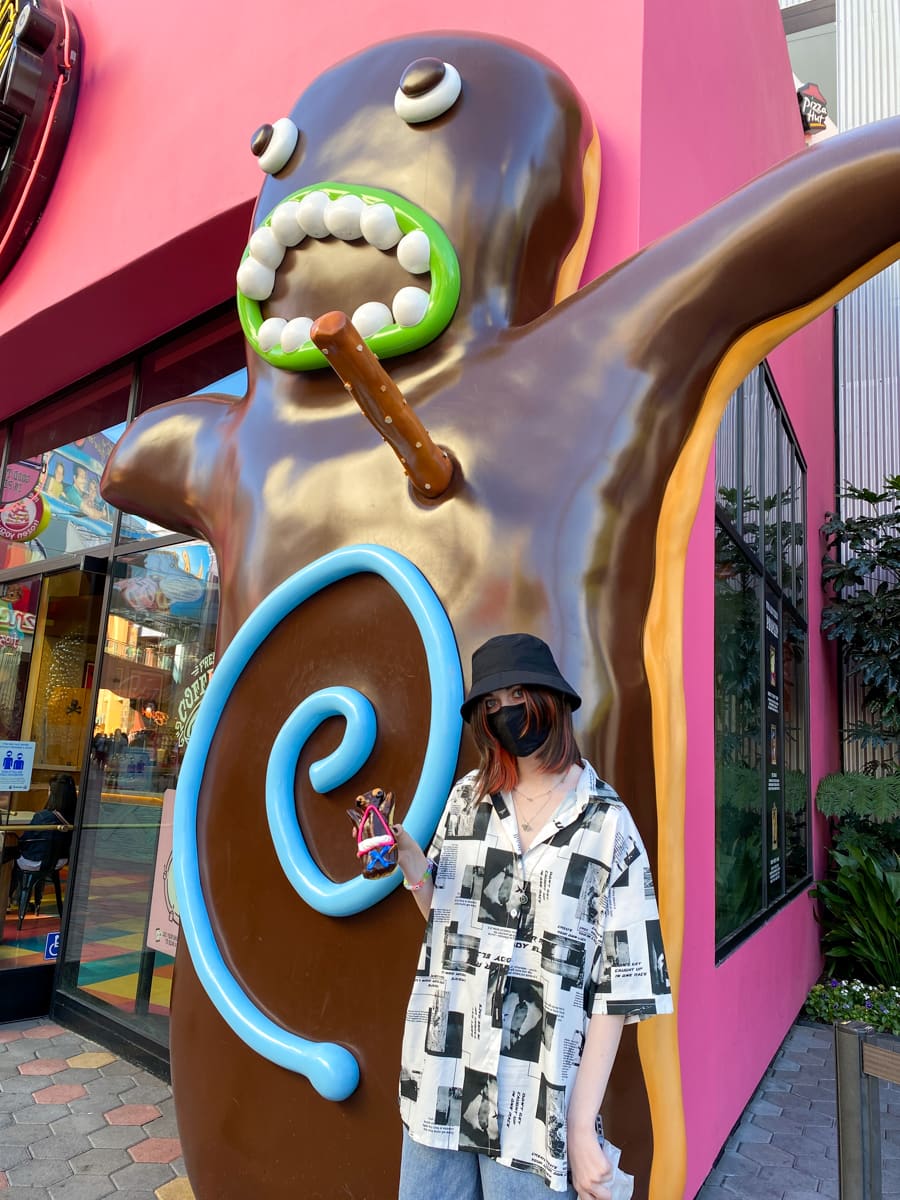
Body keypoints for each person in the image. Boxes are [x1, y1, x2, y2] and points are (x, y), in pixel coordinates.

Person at [392, 633, 673, 1200]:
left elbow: (619, 991)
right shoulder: (468, 798)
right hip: (440, 1076)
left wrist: (580, 1122)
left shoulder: (607, 825)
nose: (506, 714)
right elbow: (442, 917)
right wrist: (410, 863)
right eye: (491, 706)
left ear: (550, 698)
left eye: (515, 695)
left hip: (537, 1104)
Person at [4, 774, 77, 909]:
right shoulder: (76, 817)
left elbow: (25, 841)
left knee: (10, 858)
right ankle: (27, 900)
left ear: (53, 793)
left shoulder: (42, 817)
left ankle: (8, 899)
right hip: (60, 861)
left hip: (36, 861)